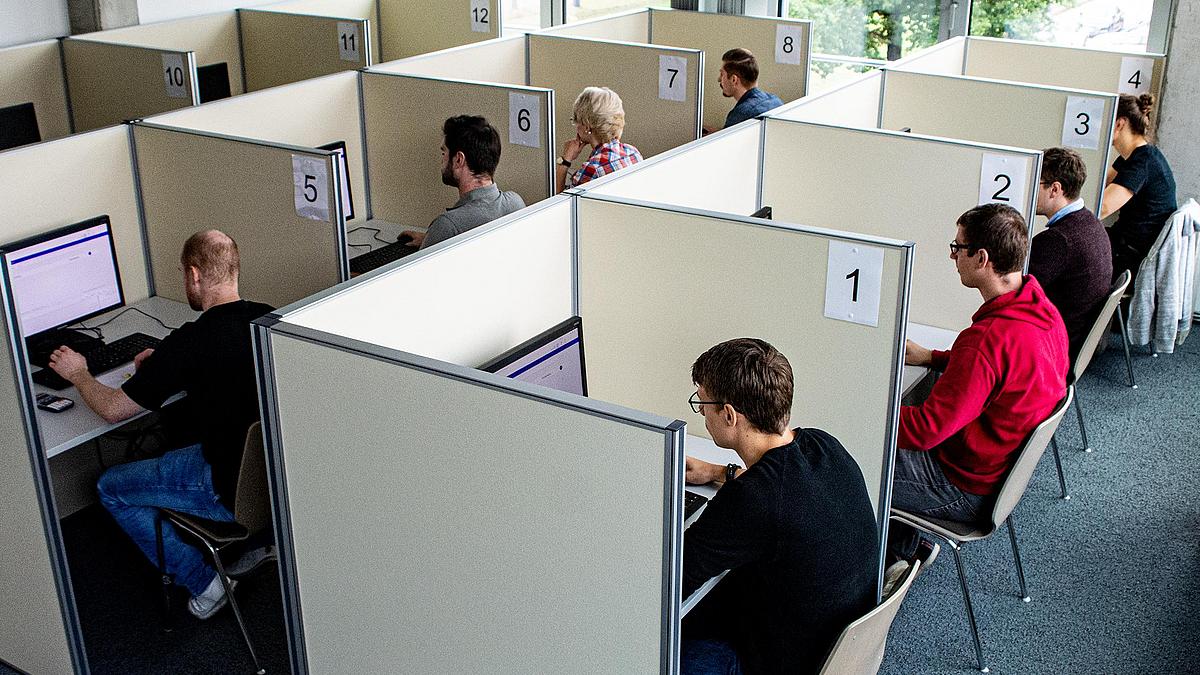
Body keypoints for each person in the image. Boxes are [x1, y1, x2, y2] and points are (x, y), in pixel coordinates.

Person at [48, 230, 273, 620]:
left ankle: (206, 583)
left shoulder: (192, 341)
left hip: (223, 486)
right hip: (271, 478)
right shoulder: (269, 319)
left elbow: (113, 409)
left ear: (194, 274)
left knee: (110, 487)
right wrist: (163, 367)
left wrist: (79, 374)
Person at [681, 338, 879, 674]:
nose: (701, 413)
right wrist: (719, 472)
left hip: (781, 662)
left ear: (729, 415)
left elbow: (672, 576)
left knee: (654, 643)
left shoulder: (752, 500)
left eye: (702, 404)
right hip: (839, 649)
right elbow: (783, 491)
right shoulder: (822, 444)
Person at [890, 204, 1068, 562]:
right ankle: (901, 543)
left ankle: (896, 554)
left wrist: (870, 416)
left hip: (961, 486)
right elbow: (1001, 373)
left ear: (982, 258)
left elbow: (926, 430)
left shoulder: (986, 340)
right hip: (998, 476)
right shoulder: (1042, 311)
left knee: (846, 460)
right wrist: (933, 358)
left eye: (958, 247)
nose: (952, 256)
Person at [1029, 147, 1113, 361]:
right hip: (1079, 338)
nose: (1029, 189)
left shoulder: (1058, 240)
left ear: (1054, 189)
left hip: (1056, 346)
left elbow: (1014, 293)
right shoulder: (1091, 222)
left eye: (1035, 182)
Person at [401, 115, 525, 249]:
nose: (442, 161)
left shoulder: (448, 226)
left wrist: (437, 236)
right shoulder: (515, 203)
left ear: (459, 160)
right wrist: (431, 239)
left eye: (444, 153)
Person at [1101, 93, 1177, 280]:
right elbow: (1101, 185)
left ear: (1119, 124)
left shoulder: (1142, 162)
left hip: (1131, 258)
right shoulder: (1136, 156)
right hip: (1124, 246)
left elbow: (1102, 208)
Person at [555, 86, 642, 193]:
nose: (576, 126)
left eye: (576, 120)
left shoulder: (592, 169)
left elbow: (560, 201)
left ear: (587, 127)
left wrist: (565, 161)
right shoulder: (633, 153)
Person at [705, 48, 784, 133]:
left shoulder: (741, 114)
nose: (719, 79)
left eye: (722, 74)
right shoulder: (775, 101)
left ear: (734, 80)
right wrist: (719, 132)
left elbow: (728, 141)